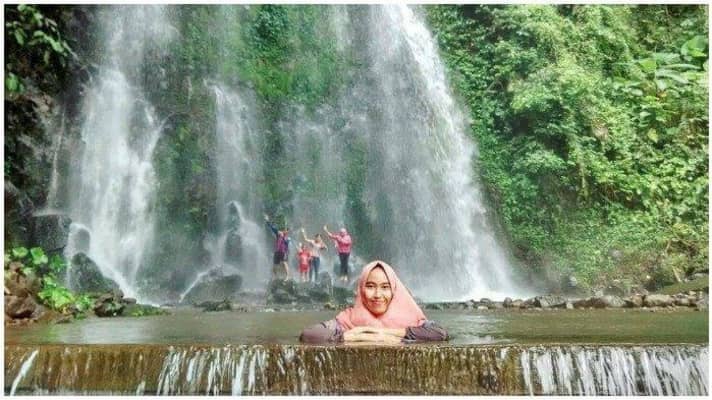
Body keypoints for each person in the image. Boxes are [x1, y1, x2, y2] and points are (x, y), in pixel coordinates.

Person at [299, 260, 448, 344]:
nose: (377, 295)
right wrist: (349, 335)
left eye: (385, 287)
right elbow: (309, 334)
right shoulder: (347, 320)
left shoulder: (411, 318)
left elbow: (440, 333)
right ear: (361, 290)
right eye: (370, 286)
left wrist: (385, 333)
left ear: (394, 290)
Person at [265, 214, 290, 279]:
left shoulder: (287, 238)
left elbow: (287, 245)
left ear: (286, 231)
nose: (280, 231)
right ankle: (276, 277)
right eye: (281, 230)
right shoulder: (278, 234)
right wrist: (267, 221)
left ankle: (287, 276)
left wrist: (287, 253)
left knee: (284, 263)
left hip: (283, 252)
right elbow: (272, 227)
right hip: (277, 251)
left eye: (284, 230)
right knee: (274, 266)